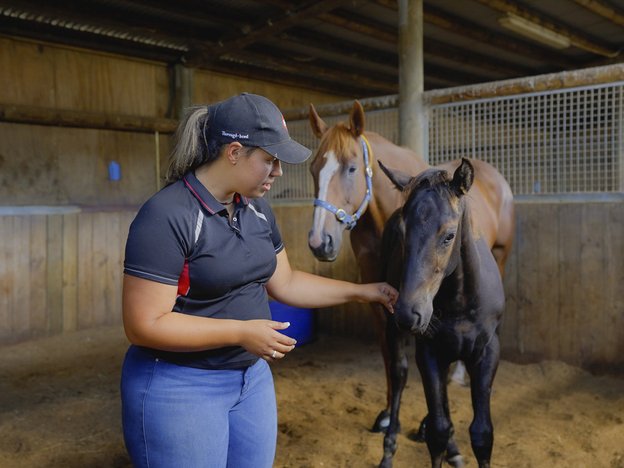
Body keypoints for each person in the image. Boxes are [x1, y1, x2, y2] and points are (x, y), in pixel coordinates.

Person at [120, 92, 398, 468]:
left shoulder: (257, 210)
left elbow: (285, 281)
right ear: (234, 152)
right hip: (180, 385)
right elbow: (144, 324)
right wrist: (240, 332)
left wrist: (365, 292)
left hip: (251, 379)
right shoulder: (167, 215)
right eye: (269, 160)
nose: (279, 172)